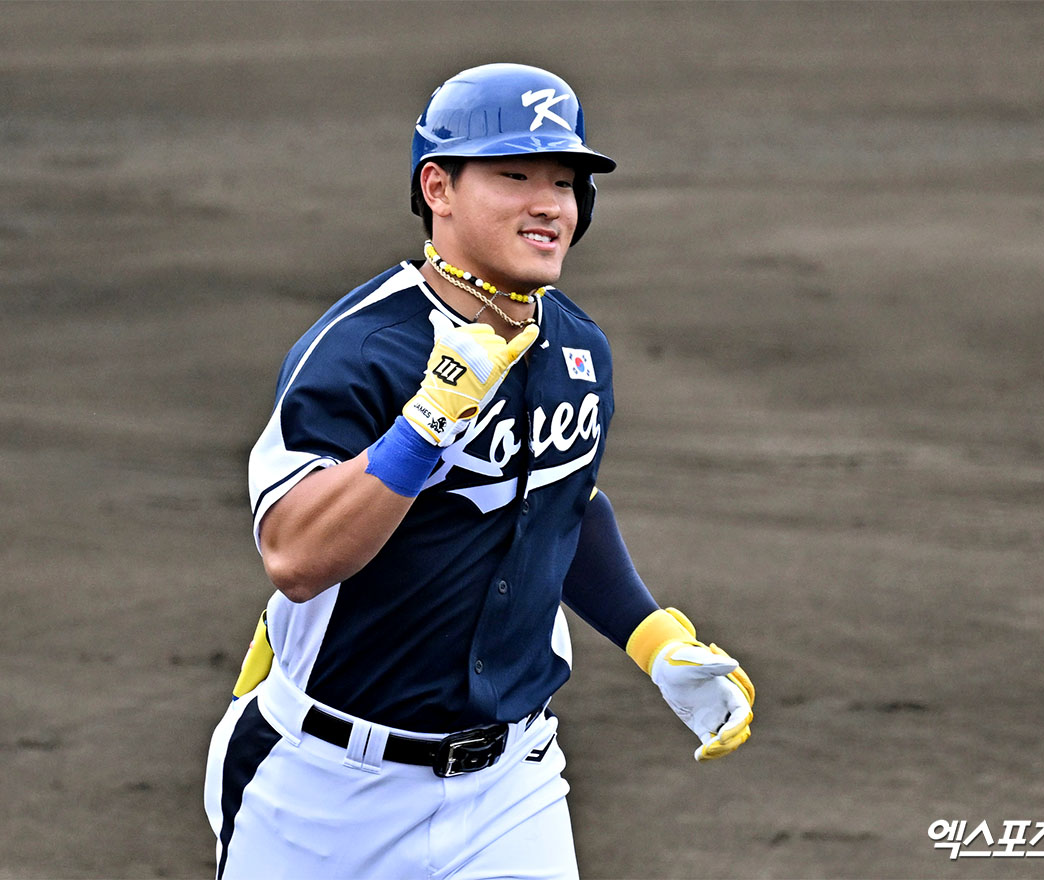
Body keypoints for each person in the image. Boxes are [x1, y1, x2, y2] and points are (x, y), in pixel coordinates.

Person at [203, 62, 755, 879]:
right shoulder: (361, 349)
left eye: (564, 181)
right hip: (323, 794)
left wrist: (656, 639)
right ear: (439, 187)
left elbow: (562, 505)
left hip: (512, 789)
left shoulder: (577, 348)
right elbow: (294, 555)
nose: (548, 203)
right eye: (514, 175)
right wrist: (425, 422)